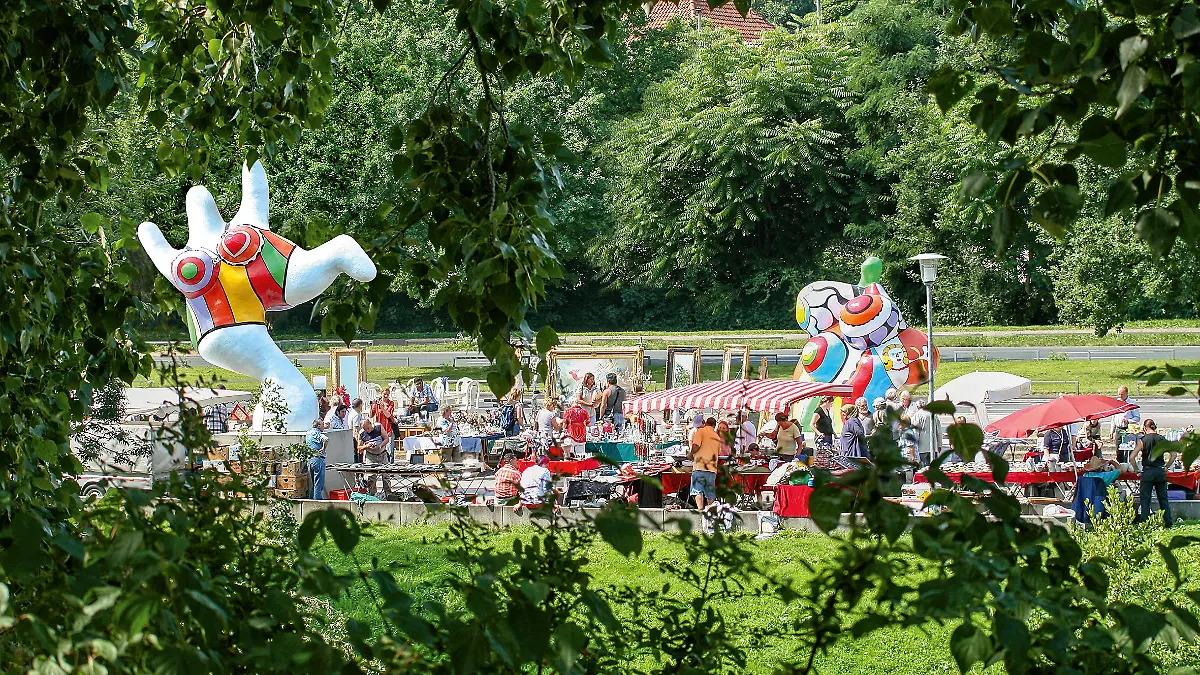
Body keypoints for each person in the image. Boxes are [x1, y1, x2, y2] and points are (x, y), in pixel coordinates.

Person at [1130, 418, 1175, 528]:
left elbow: (1132, 457)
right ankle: (1168, 522)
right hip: (1160, 470)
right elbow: (1173, 454)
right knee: (1163, 499)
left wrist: (1136, 469)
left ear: (1145, 428)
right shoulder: (1162, 439)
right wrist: (1166, 467)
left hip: (1148, 471)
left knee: (1145, 499)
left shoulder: (1143, 440)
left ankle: (1144, 523)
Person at [688, 415, 722, 510]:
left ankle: (700, 511)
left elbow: (695, 446)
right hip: (712, 469)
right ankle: (710, 512)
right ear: (714, 426)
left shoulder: (700, 431)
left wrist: (690, 454)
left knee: (697, 490)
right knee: (710, 493)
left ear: (705, 423)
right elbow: (718, 452)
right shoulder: (717, 437)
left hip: (700, 467)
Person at [357, 419, 387, 495]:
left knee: (386, 476)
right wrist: (366, 446)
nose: (367, 431)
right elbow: (359, 448)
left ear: (371, 424)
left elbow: (386, 439)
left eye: (368, 428)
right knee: (371, 477)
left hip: (382, 454)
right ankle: (373, 495)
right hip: (371, 456)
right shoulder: (362, 433)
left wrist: (379, 446)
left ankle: (388, 494)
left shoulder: (378, 426)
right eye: (365, 429)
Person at [910, 401, 941, 466]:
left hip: (922, 447)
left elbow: (916, 431)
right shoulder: (934, 414)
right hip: (934, 446)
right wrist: (939, 444)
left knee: (924, 469)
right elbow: (939, 431)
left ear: (918, 407)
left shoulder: (917, 415)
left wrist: (914, 444)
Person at [305, 419, 329, 499]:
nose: (324, 426)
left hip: (310, 459)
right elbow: (326, 439)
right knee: (318, 483)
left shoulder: (308, 433)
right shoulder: (318, 433)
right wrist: (323, 448)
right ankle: (318, 503)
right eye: (322, 424)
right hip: (318, 459)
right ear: (318, 426)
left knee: (312, 483)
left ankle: (312, 500)